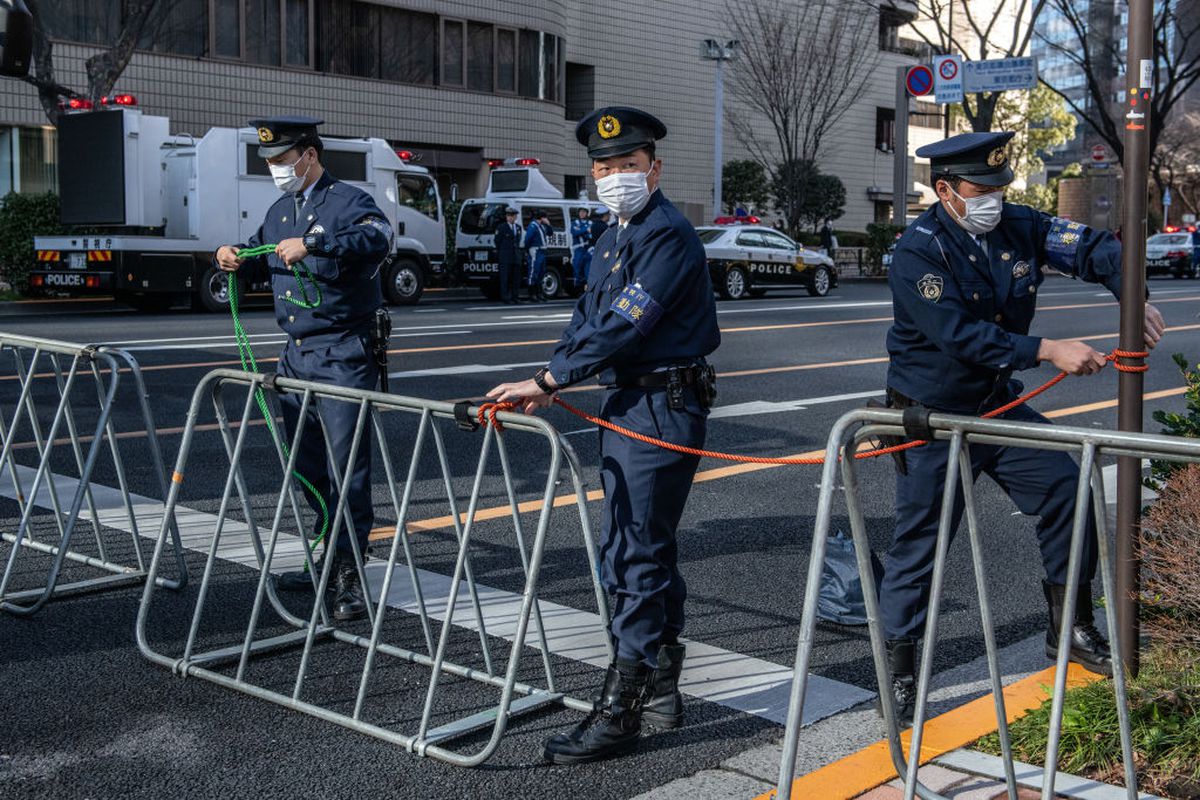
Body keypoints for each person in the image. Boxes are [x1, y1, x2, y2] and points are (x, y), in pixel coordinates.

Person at [879, 130, 1165, 725]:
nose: (992, 199)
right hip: (933, 417)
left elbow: (1093, 248)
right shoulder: (918, 251)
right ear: (945, 191)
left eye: (998, 188)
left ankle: (1071, 629)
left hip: (995, 406)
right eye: (979, 189)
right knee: (922, 545)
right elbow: (959, 336)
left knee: (1068, 489)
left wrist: (1129, 295)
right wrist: (1047, 349)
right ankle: (900, 671)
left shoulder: (1017, 225)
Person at [486, 106, 720, 764]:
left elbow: (625, 323)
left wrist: (551, 381)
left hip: (660, 407)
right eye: (604, 167)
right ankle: (664, 687)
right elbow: (586, 320)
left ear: (655, 167)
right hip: (630, 405)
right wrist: (544, 376)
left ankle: (622, 710)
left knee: (634, 554)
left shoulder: (667, 234)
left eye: (628, 165)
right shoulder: (616, 234)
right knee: (643, 546)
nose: (615, 175)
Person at [214, 116, 393, 622]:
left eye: (281, 160)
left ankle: (349, 574)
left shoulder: (348, 201)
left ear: (308, 155)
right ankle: (327, 553)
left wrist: (316, 245)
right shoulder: (279, 211)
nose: (275, 168)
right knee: (306, 466)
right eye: (269, 161)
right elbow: (258, 253)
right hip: (296, 352)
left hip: (343, 352)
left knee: (346, 470)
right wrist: (231, 256)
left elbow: (378, 238)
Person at [494, 206, 522, 304]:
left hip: (515, 256)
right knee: (505, 278)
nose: (511, 218)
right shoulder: (501, 227)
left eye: (513, 216)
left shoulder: (518, 227)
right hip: (505, 257)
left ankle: (515, 297)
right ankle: (505, 297)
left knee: (515, 279)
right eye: (509, 216)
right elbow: (497, 241)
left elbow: (518, 241)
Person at [524, 210, 550, 302]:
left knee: (541, 273)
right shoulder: (533, 226)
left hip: (542, 251)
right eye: (545, 218)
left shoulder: (542, 226)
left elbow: (550, 233)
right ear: (542, 218)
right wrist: (528, 250)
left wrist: (548, 224)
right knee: (533, 271)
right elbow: (527, 239)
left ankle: (539, 293)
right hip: (535, 250)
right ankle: (532, 294)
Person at [570, 207, 594, 291]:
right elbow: (575, 233)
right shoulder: (575, 222)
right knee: (577, 270)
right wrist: (586, 230)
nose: (582, 213)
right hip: (578, 250)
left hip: (587, 249)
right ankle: (578, 290)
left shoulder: (591, 223)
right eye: (580, 212)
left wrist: (583, 231)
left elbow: (591, 235)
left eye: (584, 212)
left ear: (587, 213)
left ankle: (586, 290)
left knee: (588, 271)